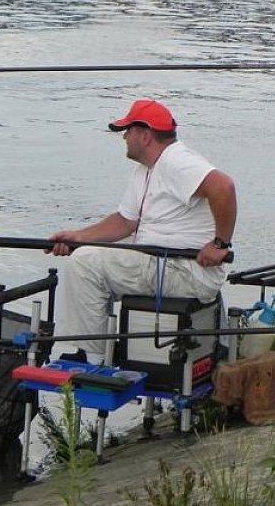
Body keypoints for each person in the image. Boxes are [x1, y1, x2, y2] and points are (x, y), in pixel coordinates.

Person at [46, 99, 237, 365]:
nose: (124, 137)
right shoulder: (146, 169)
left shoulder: (176, 161)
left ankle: (90, 357)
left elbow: (224, 187)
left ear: (146, 136)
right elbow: (126, 222)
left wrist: (220, 244)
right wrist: (78, 237)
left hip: (184, 269)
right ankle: (98, 348)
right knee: (90, 252)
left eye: (128, 131)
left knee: (84, 263)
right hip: (166, 263)